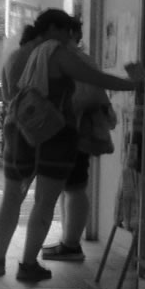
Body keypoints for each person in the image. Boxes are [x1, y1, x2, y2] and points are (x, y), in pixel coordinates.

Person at [0, 9, 142, 281]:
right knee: (45, 202)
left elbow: (9, 96)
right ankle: (28, 265)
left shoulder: (17, 55)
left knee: (11, 198)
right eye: (69, 31)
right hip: (55, 135)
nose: (72, 38)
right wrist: (133, 84)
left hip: (18, 129)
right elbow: (95, 78)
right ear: (56, 30)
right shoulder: (56, 53)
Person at [42, 19, 116, 262]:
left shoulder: (74, 59)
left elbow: (83, 96)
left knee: (74, 187)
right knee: (70, 187)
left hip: (75, 130)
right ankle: (68, 240)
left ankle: (72, 244)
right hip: (74, 129)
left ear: (70, 33)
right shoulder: (76, 58)